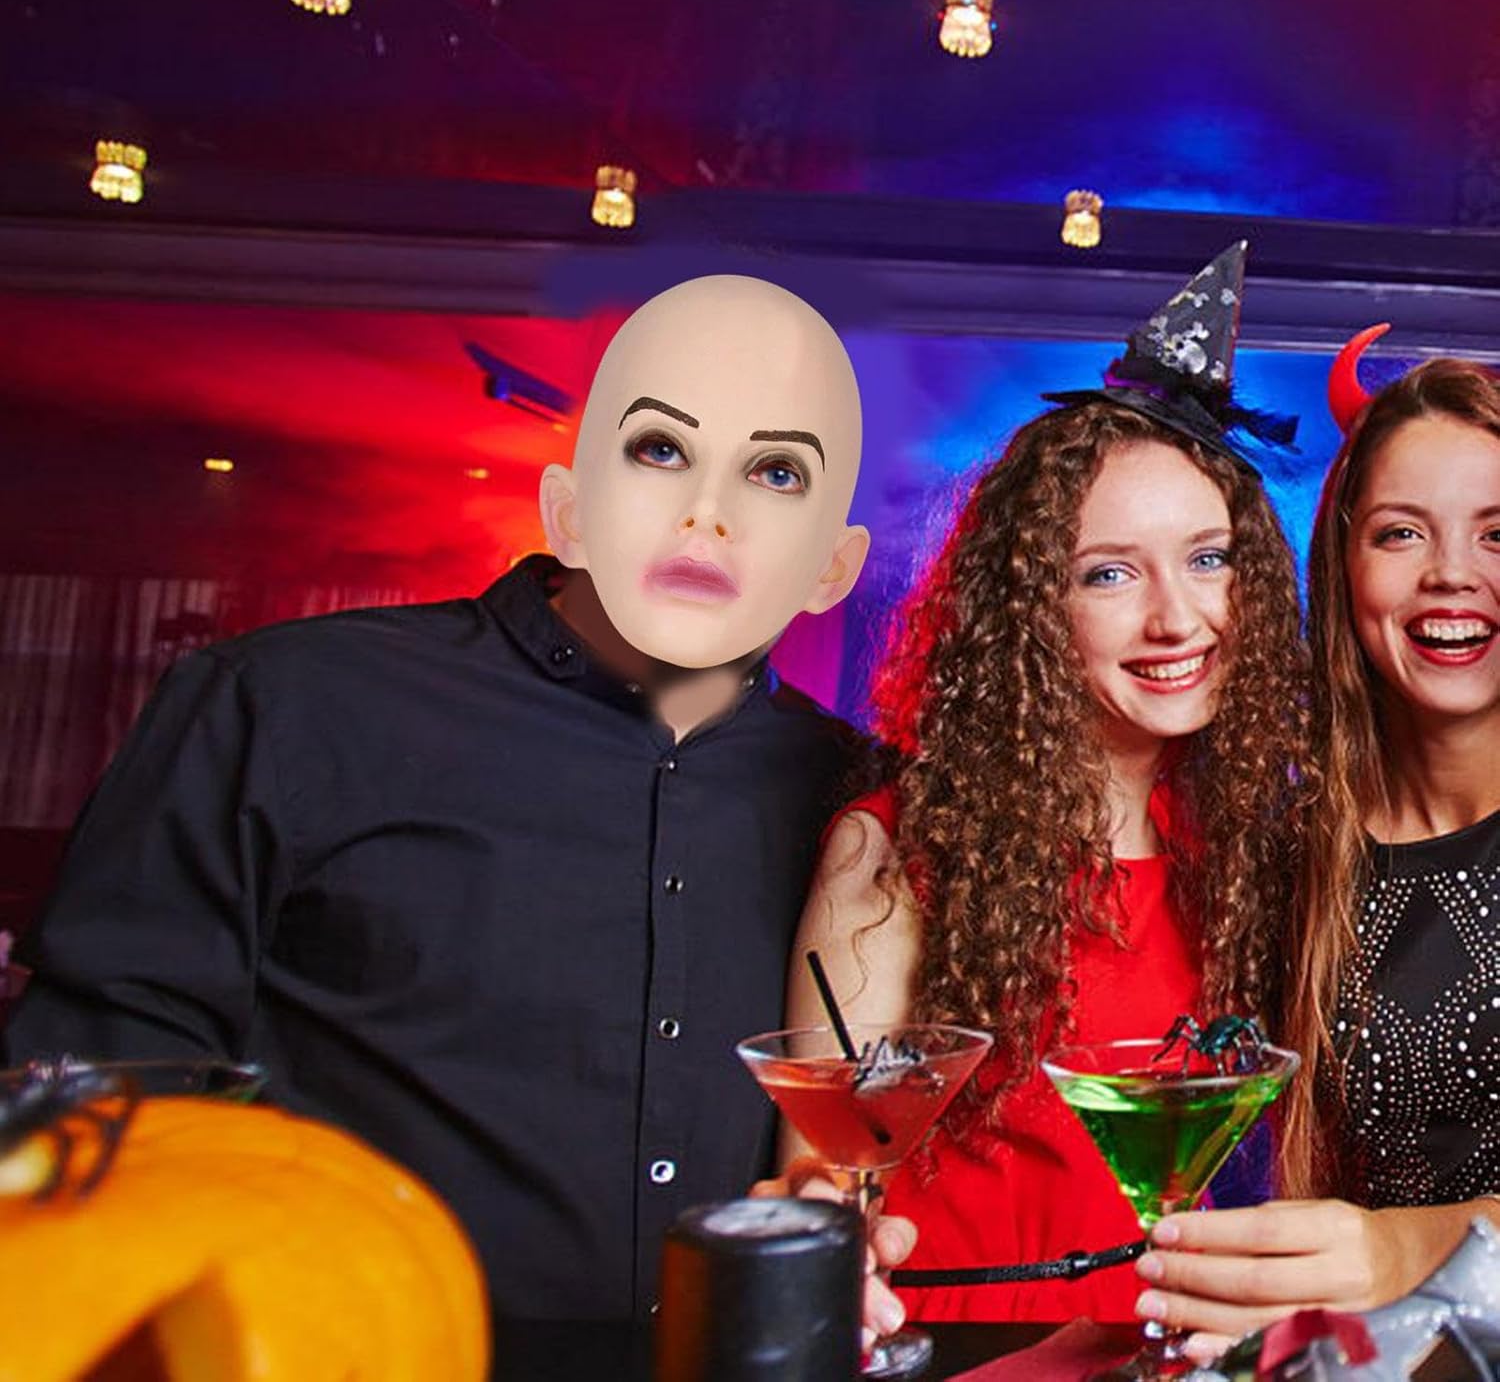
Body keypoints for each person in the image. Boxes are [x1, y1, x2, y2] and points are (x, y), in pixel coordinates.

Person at [1, 274, 873, 1325]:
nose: (707, 513)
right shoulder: (281, 707)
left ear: (834, 569)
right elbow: (98, 1098)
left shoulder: (864, 807)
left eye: (776, 471)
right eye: (659, 449)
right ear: (568, 509)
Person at [778, 245, 1313, 1329]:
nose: (1177, 618)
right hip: (955, 1344)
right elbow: (824, 1163)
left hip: (1161, 1342)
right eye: (1109, 573)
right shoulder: (895, 851)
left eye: (1208, 559)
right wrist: (825, 1228)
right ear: (1031, 613)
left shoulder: (1247, 846)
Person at [1134, 348, 1500, 1360]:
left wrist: (1405, 1248)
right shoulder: (1291, 844)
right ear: (1343, 563)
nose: (1451, 573)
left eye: (1498, 533)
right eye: (1401, 533)